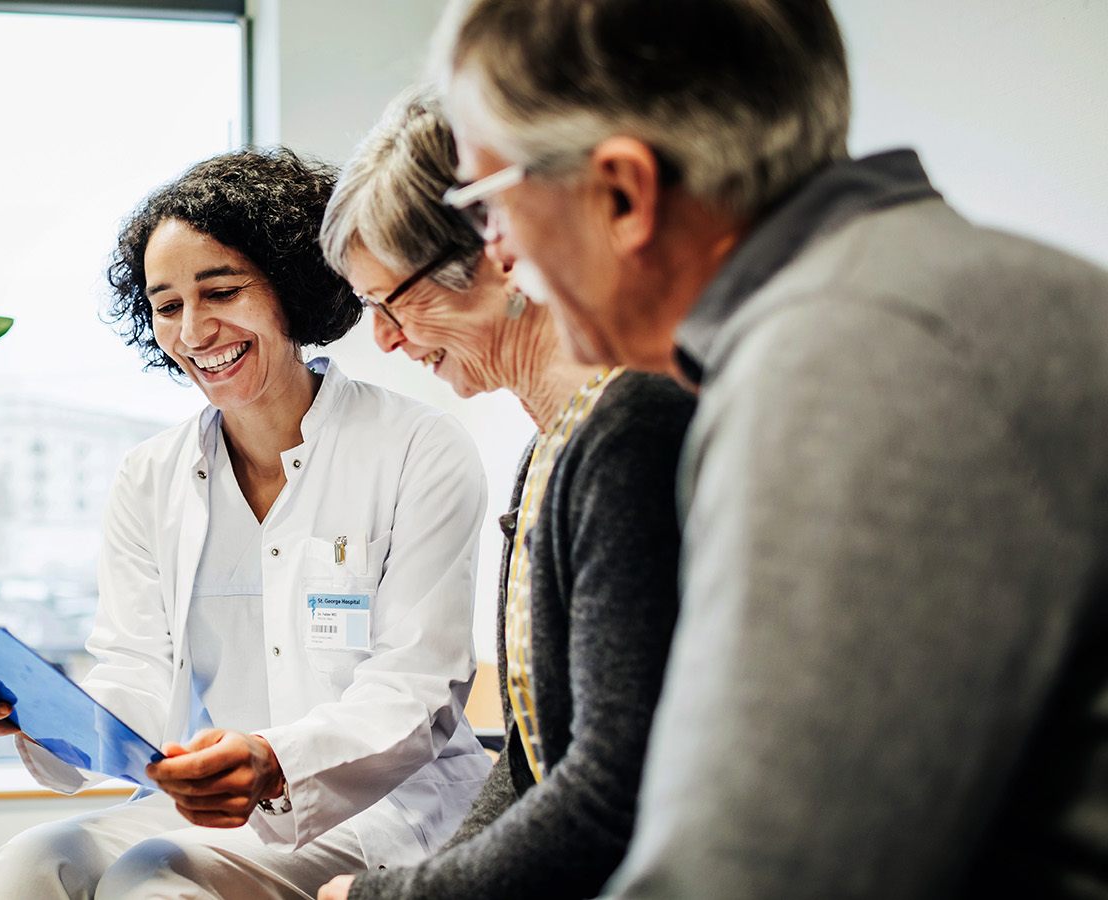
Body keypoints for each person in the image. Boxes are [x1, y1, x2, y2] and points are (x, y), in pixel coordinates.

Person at [432, 1, 1108, 898]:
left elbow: (756, 875)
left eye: (488, 205)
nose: (500, 250)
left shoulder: (845, 357)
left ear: (623, 194)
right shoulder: (923, 291)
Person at [0, 148, 493, 900]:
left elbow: (419, 687)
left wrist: (271, 757)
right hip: (214, 807)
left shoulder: (418, 448)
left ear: (292, 290)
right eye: (167, 306)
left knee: (153, 882)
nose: (193, 331)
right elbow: (134, 673)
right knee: (33, 863)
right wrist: (31, 711)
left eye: (220, 291)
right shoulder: (149, 476)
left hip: (389, 806)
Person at [313, 90, 695, 900]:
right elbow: (528, 761)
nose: (382, 338)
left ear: (497, 249)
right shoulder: (544, 450)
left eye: (394, 301)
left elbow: (610, 793)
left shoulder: (633, 429)